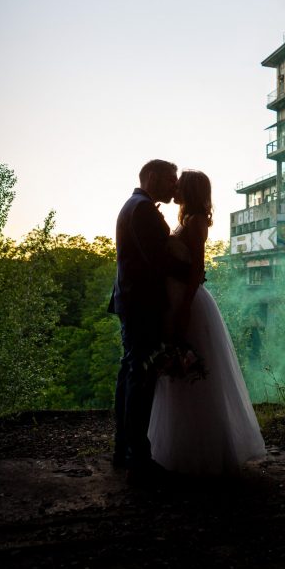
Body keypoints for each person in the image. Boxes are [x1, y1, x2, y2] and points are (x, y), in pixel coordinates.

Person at [148, 170, 266, 475]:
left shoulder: (196, 221)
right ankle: (182, 446)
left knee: (195, 373)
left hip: (189, 302)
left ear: (189, 189)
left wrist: (184, 308)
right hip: (177, 298)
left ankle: (204, 450)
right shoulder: (186, 219)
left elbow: (198, 267)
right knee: (182, 375)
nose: (174, 187)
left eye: (179, 184)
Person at [109, 159, 190, 482]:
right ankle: (138, 460)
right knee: (140, 378)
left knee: (131, 374)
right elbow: (157, 261)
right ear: (152, 177)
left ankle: (125, 451)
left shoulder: (136, 205)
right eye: (171, 180)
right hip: (141, 304)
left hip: (133, 302)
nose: (175, 186)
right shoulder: (141, 209)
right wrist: (193, 273)